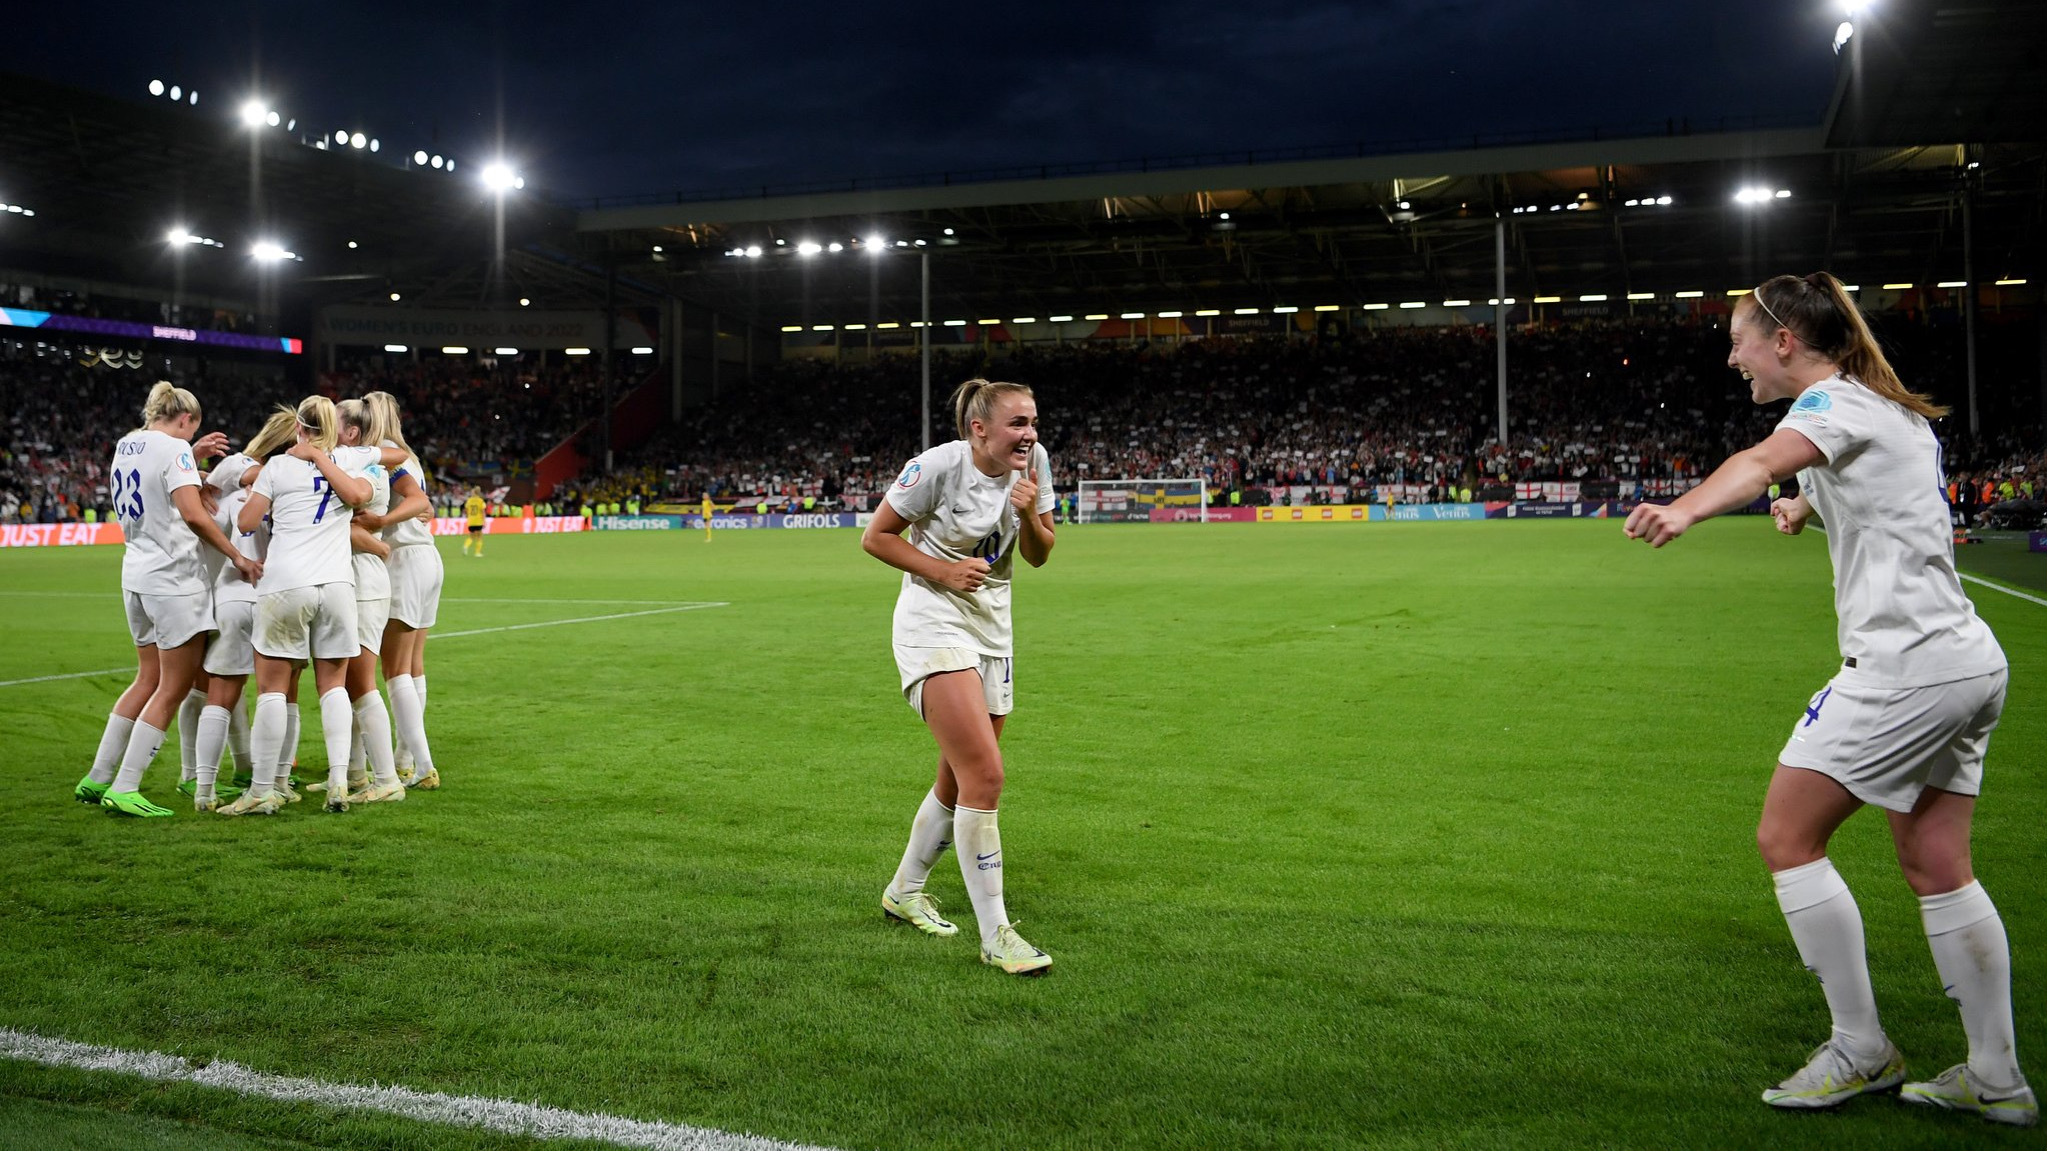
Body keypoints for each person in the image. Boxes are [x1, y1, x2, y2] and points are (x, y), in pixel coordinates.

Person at [1624, 271, 2031, 1126]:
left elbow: (1763, 457)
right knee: (1934, 862)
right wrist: (1802, 508)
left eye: (1737, 336)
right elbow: (1863, 489)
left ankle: (1859, 1047)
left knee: (1785, 834)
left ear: (1782, 341)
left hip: (1903, 668)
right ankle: (1994, 1074)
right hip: (1965, 663)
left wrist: (1687, 508)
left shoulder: (1827, 408)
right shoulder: (1886, 409)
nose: (1730, 353)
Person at [860, 378, 1058, 976]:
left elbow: (1042, 553)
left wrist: (1028, 514)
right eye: (1017, 424)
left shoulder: (1037, 464)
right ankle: (996, 934)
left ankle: (903, 891)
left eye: (1033, 422)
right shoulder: (936, 467)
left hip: (993, 630)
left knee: (958, 779)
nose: (1029, 434)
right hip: (931, 619)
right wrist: (941, 574)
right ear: (980, 429)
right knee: (986, 774)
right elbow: (876, 537)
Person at [76, 382, 260, 815]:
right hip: (174, 580)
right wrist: (237, 555)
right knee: (173, 686)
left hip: (135, 574)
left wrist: (191, 455)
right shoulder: (174, 449)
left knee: (146, 678)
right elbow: (193, 513)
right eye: (191, 430)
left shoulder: (127, 443)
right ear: (186, 420)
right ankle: (125, 786)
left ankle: (98, 776)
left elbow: (155, 477)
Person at [220, 397, 398, 816]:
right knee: (333, 685)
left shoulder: (279, 466)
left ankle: (264, 789)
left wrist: (257, 493)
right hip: (337, 585)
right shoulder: (349, 460)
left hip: (285, 585)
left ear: (298, 427)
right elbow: (393, 458)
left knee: (272, 689)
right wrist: (327, 454)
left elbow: (246, 523)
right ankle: (339, 781)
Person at [187, 411, 298, 810]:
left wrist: (203, 476)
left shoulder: (233, 485)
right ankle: (279, 781)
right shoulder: (295, 488)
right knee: (282, 694)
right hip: (277, 595)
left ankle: (203, 790)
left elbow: (209, 494)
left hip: (232, 595)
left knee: (219, 696)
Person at [365, 392, 443, 791]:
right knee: (413, 666)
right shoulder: (407, 454)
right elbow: (425, 505)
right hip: (427, 558)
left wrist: (380, 519)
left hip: (403, 559)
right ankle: (405, 759)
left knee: (394, 669)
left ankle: (422, 764)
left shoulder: (385, 453)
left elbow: (419, 502)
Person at [463, 487, 488, 556]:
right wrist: (484, 521)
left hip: (471, 521)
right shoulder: (480, 501)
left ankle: (466, 545)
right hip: (478, 521)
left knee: (471, 536)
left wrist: (469, 516)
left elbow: (466, 510)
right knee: (479, 537)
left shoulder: (469, 500)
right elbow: (483, 511)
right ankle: (477, 552)